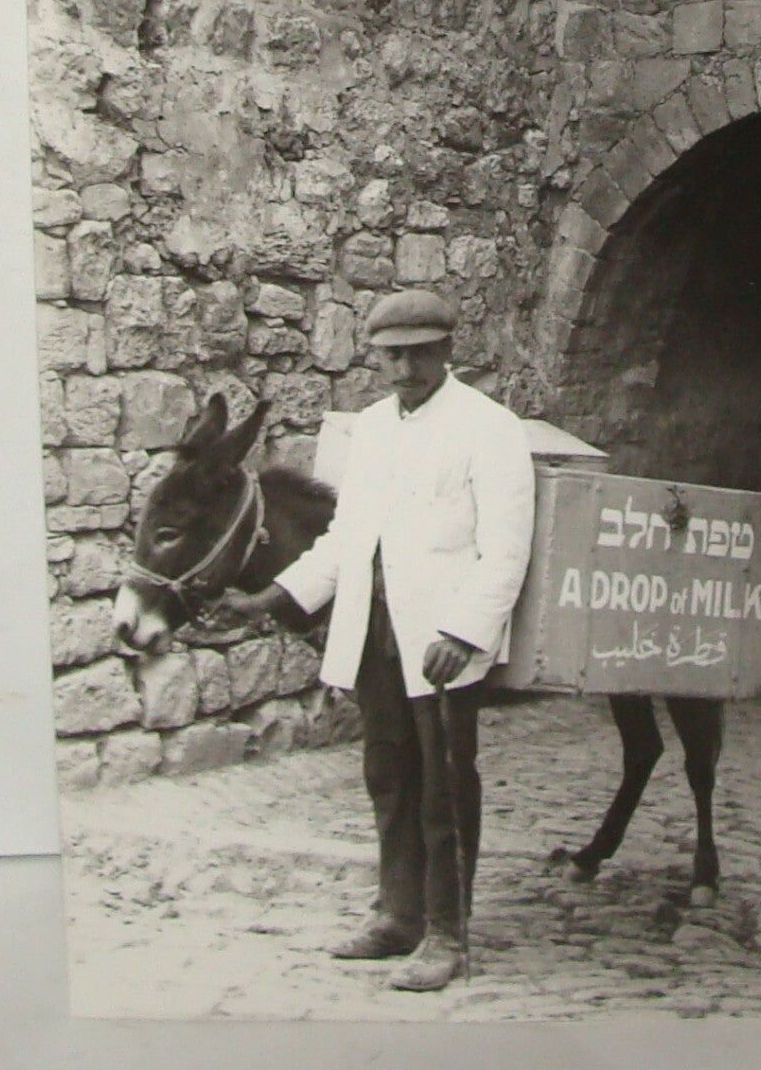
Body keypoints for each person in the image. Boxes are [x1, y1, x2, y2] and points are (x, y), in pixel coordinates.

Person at [223, 288, 535, 991]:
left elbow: (506, 550)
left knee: (445, 786)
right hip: (375, 634)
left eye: (419, 354)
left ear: (447, 350)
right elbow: (346, 539)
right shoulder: (370, 429)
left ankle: (449, 935)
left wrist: (465, 631)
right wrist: (271, 599)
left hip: (442, 640)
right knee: (388, 778)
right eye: (392, 356)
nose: (404, 370)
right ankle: (399, 916)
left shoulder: (490, 428)